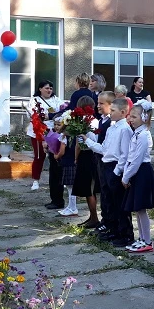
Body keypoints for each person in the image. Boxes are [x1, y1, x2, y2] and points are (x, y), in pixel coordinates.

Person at [84, 96, 130, 243]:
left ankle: (125, 234)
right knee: (109, 200)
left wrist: (117, 172)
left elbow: (125, 154)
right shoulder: (111, 128)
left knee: (119, 202)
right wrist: (87, 140)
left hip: (115, 167)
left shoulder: (125, 129)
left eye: (113, 110)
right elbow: (104, 149)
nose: (111, 113)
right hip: (106, 165)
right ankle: (113, 229)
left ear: (123, 112)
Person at [121, 100, 154, 253]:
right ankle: (142, 238)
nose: (130, 119)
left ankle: (147, 240)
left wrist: (126, 177)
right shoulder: (136, 133)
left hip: (142, 172)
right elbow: (130, 157)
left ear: (144, 117)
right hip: (135, 172)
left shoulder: (143, 135)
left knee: (141, 208)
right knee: (137, 209)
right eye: (130, 116)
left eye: (134, 116)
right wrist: (126, 173)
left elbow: (137, 160)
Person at [25, 80, 63, 191]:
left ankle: (59, 180)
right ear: (40, 89)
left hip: (54, 131)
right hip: (38, 132)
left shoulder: (56, 100)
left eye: (51, 88)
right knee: (39, 156)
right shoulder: (34, 100)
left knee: (57, 156)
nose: (49, 90)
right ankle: (35, 180)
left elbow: (62, 112)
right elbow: (31, 115)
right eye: (46, 88)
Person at [71, 96, 99, 227]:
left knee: (89, 190)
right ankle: (92, 217)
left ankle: (94, 218)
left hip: (86, 155)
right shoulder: (96, 121)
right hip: (94, 154)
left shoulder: (82, 123)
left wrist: (76, 158)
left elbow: (79, 144)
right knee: (90, 189)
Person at [91, 91, 114, 229]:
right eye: (97, 103)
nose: (98, 106)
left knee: (108, 192)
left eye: (101, 103)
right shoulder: (101, 120)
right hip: (99, 159)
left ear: (111, 105)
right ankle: (105, 220)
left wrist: (89, 142)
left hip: (107, 161)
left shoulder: (111, 123)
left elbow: (106, 147)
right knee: (103, 191)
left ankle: (109, 222)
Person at [43, 118, 67, 210]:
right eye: (55, 124)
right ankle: (53, 200)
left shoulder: (63, 135)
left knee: (57, 181)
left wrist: (56, 155)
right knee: (52, 180)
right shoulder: (53, 133)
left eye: (59, 125)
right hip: (52, 158)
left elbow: (62, 149)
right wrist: (47, 147)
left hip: (59, 160)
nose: (56, 127)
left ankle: (58, 201)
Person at [58, 125, 78, 217]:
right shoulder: (73, 137)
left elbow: (62, 151)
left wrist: (56, 156)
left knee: (71, 188)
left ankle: (73, 208)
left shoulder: (67, 138)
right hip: (70, 162)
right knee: (69, 187)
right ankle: (70, 206)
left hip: (69, 163)